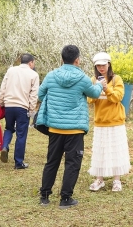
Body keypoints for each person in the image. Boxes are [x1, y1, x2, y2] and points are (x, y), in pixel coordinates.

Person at [36, 45, 105, 209]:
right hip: (75, 129)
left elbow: (40, 94)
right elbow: (95, 94)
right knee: (72, 164)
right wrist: (101, 85)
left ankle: (44, 196)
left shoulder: (51, 76)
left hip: (55, 128)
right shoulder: (82, 78)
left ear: (62, 59)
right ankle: (65, 198)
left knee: (51, 162)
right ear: (77, 60)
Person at [87, 52, 130, 192]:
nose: (101, 68)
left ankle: (116, 180)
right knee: (100, 151)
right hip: (100, 121)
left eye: (103, 65)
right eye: (98, 65)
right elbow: (89, 99)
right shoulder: (93, 79)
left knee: (116, 150)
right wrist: (97, 87)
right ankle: (99, 179)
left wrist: (106, 88)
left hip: (115, 121)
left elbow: (117, 97)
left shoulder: (117, 79)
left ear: (109, 64)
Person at [0, 53, 39, 169]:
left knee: (9, 128)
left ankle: (5, 146)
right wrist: (31, 109)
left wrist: (1, 103)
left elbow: (3, 88)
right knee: (21, 134)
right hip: (22, 107)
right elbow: (33, 94)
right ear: (31, 62)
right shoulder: (34, 75)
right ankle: (18, 162)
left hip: (9, 105)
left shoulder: (10, 71)